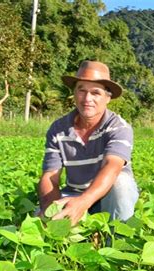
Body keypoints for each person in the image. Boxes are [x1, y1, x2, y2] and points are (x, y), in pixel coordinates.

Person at [37, 60, 138, 226]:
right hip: (73, 194)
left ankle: (117, 241)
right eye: (81, 90)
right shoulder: (58, 129)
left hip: (108, 197)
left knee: (121, 183)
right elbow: (50, 177)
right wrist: (51, 210)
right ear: (74, 93)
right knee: (37, 222)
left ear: (108, 97)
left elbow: (112, 166)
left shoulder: (118, 127)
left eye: (96, 93)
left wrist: (84, 202)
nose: (87, 98)